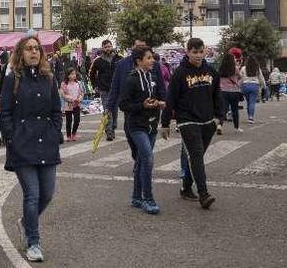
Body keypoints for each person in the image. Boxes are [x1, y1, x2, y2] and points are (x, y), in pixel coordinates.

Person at [0, 35, 62, 262]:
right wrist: (11, 137)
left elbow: (56, 110)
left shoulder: (49, 78)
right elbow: (4, 111)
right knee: (32, 195)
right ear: (21, 53)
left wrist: (55, 132)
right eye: (28, 49)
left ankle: (26, 222)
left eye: (36, 49)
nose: (34, 52)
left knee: (47, 194)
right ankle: (33, 242)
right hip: (22, 144)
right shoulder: (12, 78)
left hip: (47, 142)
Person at [161, 38, 222, 209]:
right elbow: (170, 99)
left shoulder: (211, 71)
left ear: (205, 51)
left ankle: (186, 186)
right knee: (195, 155)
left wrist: (219, 117)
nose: (198, 56)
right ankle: (204, 194)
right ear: (187, 52)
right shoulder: (180, 73)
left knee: (196, 157)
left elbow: (217, 95)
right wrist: (165, 123)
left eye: (200, 52)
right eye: (194, 52)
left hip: (207, 121)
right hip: (187, 121)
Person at [119, 46, 165, 214]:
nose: (152, 60)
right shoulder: (131, 79)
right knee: (147, 158)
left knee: (140, 161)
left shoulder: (152, 76)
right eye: (148, 58)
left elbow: (160, 94)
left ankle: (136, 197)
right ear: (139, 61)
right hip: (137, 126)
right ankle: (148, 198)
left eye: (152, 57)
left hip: (152, 124)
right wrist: (142, 105)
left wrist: (160, 102)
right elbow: (123, 104)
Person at [88, 39, 122, 140]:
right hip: (104, 89)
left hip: (116, 89)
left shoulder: (118, 58)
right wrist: (95, 85)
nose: (108, 48)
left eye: (109, 46)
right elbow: (92, 74)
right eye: (106, 47)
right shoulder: (98, 61)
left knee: (115, 110)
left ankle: (113, 127)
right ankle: (109, 131)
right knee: (107, 110)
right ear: (102, 48)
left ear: (112, 47)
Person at [218, 52, 244, 133]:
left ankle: (220, 125)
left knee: (224, 109)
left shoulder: (221, 69)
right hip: (234, 91)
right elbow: (240, 77)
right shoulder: (235, 68)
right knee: (235, 110)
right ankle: (236, 128)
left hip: (223, 91)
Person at [240, 56, 265, 124]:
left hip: (245, 86)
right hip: (254, 86)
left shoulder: (243, 68)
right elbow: (261, 77)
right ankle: (250, 117)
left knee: (248, 102)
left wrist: (239, 86)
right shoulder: (257, 68)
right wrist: (263, 86)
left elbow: (241, 78)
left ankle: (249, 116)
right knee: (252, 102)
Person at [60, 67, 83, 142]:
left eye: (74, 74)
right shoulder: (64, 84)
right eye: (72, 74)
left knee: (77, 119)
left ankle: (74, 133)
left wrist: (79, 98)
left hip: (77, 104)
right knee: (68, 121)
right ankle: (68, 135)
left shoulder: (78, 83)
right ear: (68, 75)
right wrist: (71, 99)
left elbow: (81, 93)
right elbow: (63, 94)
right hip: (68, 105)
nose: (74, 75)